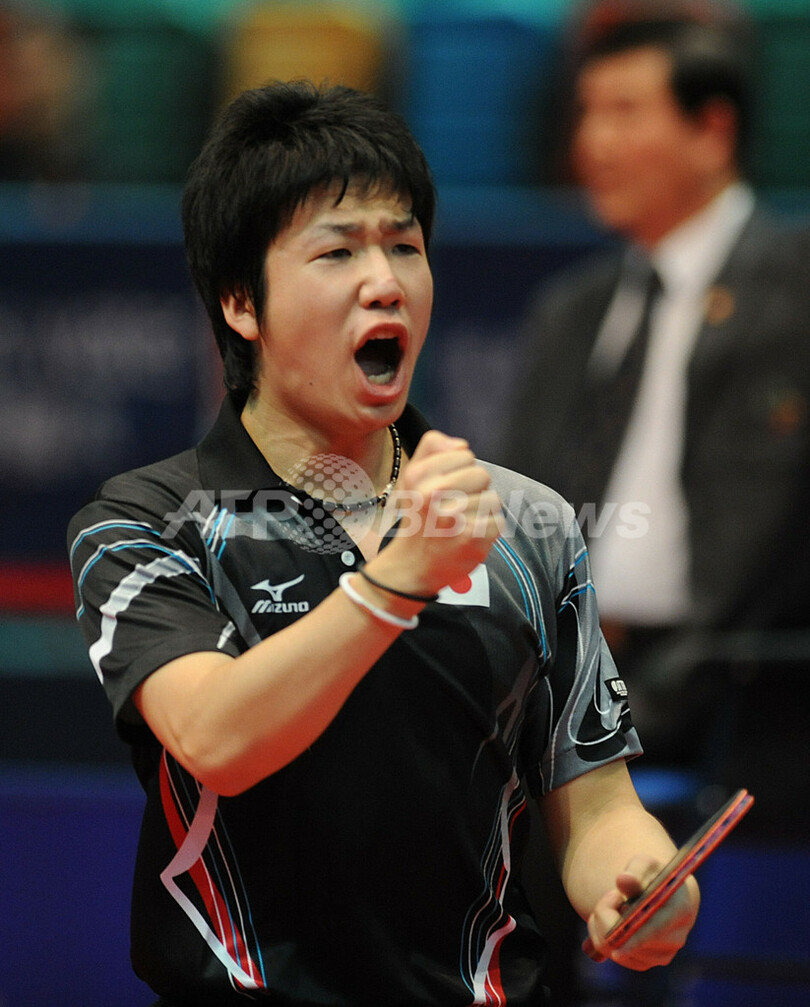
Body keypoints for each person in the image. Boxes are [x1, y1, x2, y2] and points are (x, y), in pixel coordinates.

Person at [67, 80, 698, 1006]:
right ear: (241, 302)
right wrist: (397, 578)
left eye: (404, 245)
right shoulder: (146, 522)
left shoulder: (526, 524)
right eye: (338, 251)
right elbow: (217, 736)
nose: (386, 281)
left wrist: (640, 880)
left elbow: (597, 805)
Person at [501, 10, 810, 789]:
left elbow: (764, 558)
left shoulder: (796, 293)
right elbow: (516, 517)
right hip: (571, 695)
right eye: (586, 113)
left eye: (625, 111)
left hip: (744, 721)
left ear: (712, 131)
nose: (592, 143)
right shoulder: (571, 310)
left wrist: (611, 721)